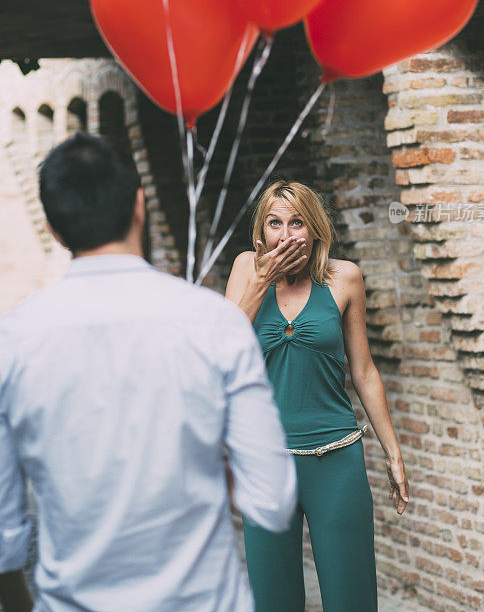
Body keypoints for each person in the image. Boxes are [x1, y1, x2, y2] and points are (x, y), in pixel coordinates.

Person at [0, 133, 297, 612]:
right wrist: (206, 470)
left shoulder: (10, 343)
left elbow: (3, 537)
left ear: (55, 230)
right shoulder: (215, 322)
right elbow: (272, 498)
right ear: (140, 205)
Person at [226, 180, 410, 612]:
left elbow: (364, 371)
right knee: (274, 601)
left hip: (336, 460)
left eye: (296, 222)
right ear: (262, 233)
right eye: (275, 223)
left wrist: (394, 454)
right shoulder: (244, 270)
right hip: (266, 466)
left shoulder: (344, 278)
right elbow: (224, 350)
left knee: (352, 599)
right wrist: (261, 281)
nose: (285, 234)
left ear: (314, 231)